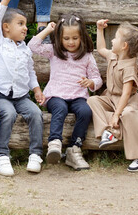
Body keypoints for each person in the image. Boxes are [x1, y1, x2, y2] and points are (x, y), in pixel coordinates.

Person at [28, 14, 101, 170]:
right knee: (60, 108)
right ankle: (54, 143)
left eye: (75, 38)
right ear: (59, 38)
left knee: (86, 111)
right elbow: (32, 45)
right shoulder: (54, 51)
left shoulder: (87, 56)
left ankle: (74, 149)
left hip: (78, 96)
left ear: (82, 37)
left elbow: (97, 78)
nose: (71, 42)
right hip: (56, 95)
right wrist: (47, 30)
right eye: (66, 38)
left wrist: (91, 82)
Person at [0, 0, 45, 176]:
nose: (24, 29)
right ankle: (1, 155)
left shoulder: (25, 50)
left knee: (36, 114)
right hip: (1, 95)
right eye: (20, 24)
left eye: (26, 25)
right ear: (6, 27)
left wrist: (36, 89)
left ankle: (36, 154)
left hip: (22, 96)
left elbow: (30, 72)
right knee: (8, 114)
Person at [88, 20, 138, 172]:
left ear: (124, 46)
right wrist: (99, 30)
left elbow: (126, 93)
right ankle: (110, 131)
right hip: (110, 99)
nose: (112, 40)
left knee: (128, 113)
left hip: (127, 102)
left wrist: (117, 114)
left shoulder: (129, 67)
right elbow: (101, 48)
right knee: (92, 100)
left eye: (115, 38)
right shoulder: (113, 56)